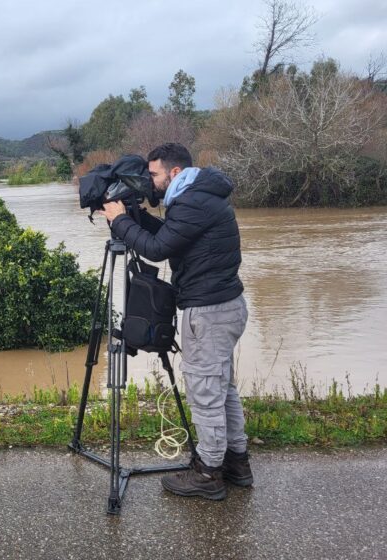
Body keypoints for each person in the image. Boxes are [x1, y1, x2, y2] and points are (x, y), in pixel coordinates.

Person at [100, 143, 252, 501]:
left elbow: (155, 250)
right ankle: (236, 463)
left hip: (209, 312)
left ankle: (209, 474)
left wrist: (119, 221)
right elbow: (171, 236)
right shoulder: (200, 196)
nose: (150, 182)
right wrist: (133, 216)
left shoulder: (192, 201)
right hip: (224, 306)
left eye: (153, 174)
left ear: (175, 173)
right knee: (221, 389)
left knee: (205, 394)